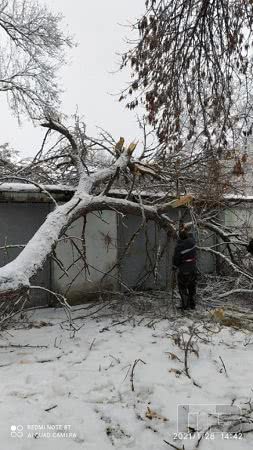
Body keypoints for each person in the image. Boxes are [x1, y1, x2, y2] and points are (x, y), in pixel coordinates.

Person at [172, 224, 197, 310]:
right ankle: (192, 304)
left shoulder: (179, 247)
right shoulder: (192, 241)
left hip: (184, 269)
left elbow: (176, 259)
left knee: (182, 287)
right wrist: (185, 229)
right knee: (192, 286)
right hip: (193, 267)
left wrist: (174, 266)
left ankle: (185, 305)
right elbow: (191, 235)